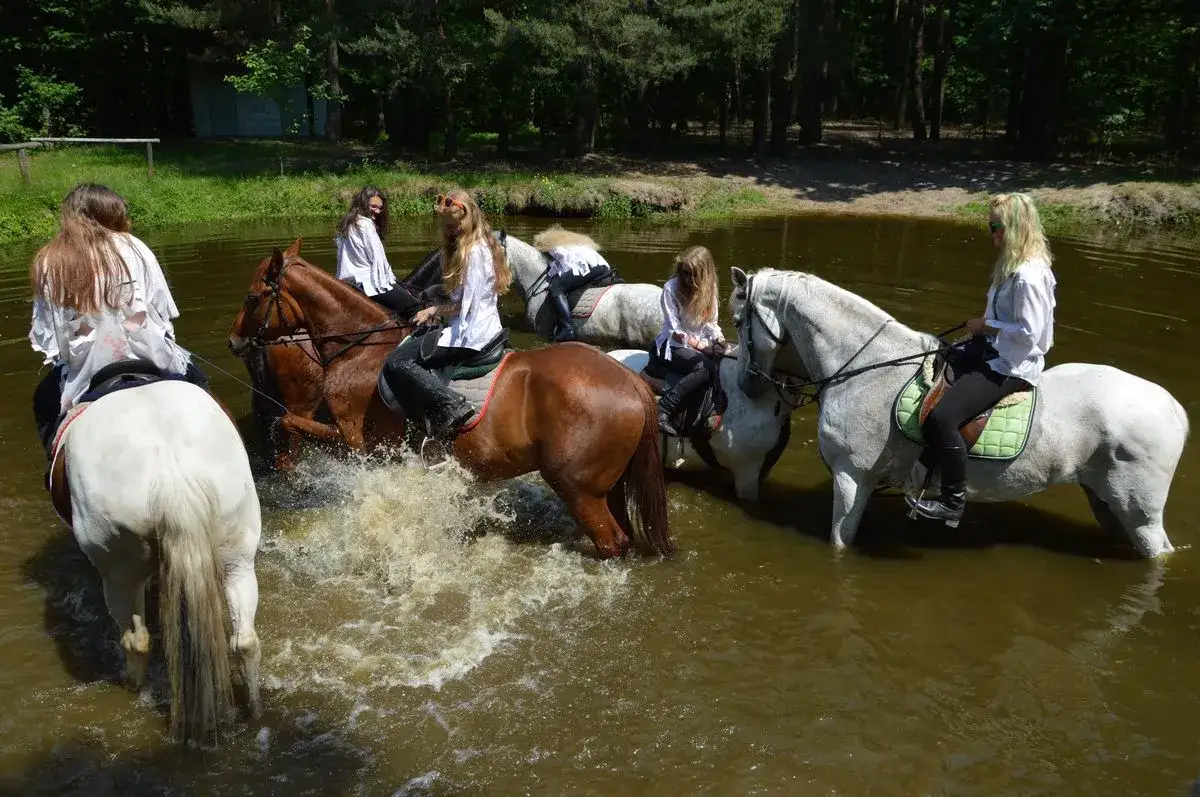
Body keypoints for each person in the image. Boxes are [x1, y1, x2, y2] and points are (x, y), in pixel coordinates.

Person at [908, 192, 1057, 524]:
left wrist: (985, 326)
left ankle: (952, 501)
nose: (991, 233)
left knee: (942, 418)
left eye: (995, 227)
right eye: (990, 226)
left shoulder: (1028, 276)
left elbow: (1030, 333)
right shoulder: (1014, 264)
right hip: (993, 349)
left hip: (1012, 365)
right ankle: (925, 468)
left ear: (1014, 228)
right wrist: (979, 332)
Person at [29, 183, 208, 458]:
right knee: (201, 386)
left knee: (43, 403)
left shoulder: (51, 258)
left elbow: (52, 336)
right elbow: (160, 311)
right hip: (149, 355)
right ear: (112, 213)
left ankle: (54, 474)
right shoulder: (136, 246)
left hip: (86, 368)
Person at [380, 189, 512, 443]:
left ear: (467, 218)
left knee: (397, 362)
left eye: (454, 225)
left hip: (472, 332)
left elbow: (465, 306)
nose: (450, 230)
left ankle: (452, 404)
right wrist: (437, 299)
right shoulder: (479, 244)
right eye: (447, 225)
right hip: (476, 324)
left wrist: (432, 310)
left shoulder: (474, 252)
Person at [651, 245, 728, 436]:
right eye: (684, 273)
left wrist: (720, 340)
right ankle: (664, 409)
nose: (687, 279)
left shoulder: (711, 289)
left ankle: (715, 410)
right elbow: (675, 330)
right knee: (704, 367)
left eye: (692, 275)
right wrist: (702, 347)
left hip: (700, 344)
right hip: (672, 345)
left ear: (704, 274)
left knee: (727, 361)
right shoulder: (670, 289)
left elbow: (711, 323)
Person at [335, 187, 423, 317]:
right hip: (366, 283)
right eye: (373, 206)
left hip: (346, 282)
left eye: (380, 208)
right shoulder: (366, 225)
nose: (377, 211)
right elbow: (379, 261)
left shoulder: (347, 223)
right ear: (363, 204)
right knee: (414, 306)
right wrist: (397, 287)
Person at [532, 225, 613, 342]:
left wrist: (554, 279)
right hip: (600, 265)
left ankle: (567, 328)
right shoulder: (572, 242)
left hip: (588, 267)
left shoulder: (555, 246)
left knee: (556, 288)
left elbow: (566, 265)